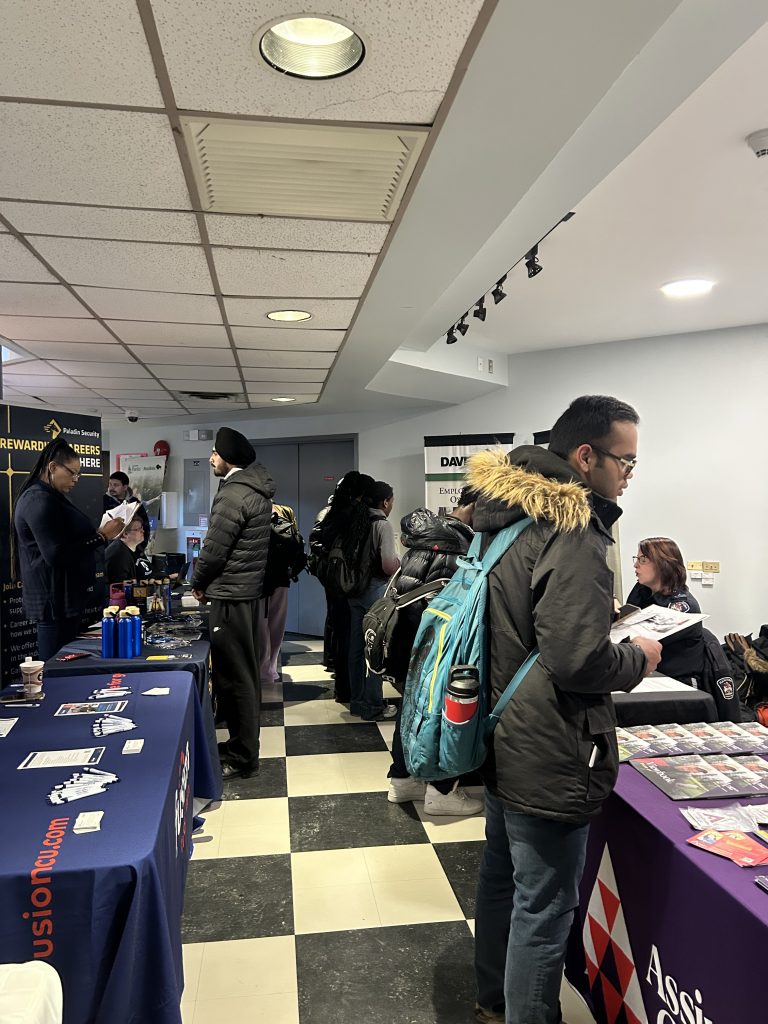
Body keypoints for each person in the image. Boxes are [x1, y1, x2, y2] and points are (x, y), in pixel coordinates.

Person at [469, 395, 661, 1024]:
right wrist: (638, 657)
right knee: (545, 906)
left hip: (500, 726)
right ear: (585, 456)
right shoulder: (572, 527)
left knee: (503, 877)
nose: (629, 474)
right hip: (549, 742)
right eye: (625, 461)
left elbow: (523, 623)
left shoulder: (505, 516)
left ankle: (493, 1001)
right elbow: (577, 661)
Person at [387, 487, 484, 815]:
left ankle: (402, 780)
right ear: (477, 505)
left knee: (410, 709)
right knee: (442, 711)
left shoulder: (428, 534)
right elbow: (455, 605)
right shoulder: (459, 543)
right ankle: (441, 791)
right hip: (436, 643)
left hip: (409, 638)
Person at [191, 427, 275, 780]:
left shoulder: (233, 493)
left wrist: (197, 581)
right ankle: (240, 746)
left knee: (236, 677)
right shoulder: (255, 489)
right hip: (244, 594)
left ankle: (243, 756)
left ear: (228, 457)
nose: (211, 458)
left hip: (230, 595)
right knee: (241, 675)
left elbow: (213, 549)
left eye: (215, 452)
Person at [13, 438, 125, 660]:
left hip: (66, 599)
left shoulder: (52, 497)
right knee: (56, 666)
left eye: (78, 474)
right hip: (54, 601)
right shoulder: (37, 500)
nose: (75, 480)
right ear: (53, 467)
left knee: (67, 664)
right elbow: (56, 554)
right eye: (72, 473)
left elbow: (66, 542)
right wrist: (102, 536)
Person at [316, 472, 375, 703]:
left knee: (340, 634)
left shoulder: (334, 512)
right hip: (349, 583)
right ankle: (349, 689)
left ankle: (343, 688)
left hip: (334, 580)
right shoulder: (355, 514)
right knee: (351, 638)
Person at [346, 480, 400, 721]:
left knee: (356, 648)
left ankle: (357, 701)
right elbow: (388, 565)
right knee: (374, 648)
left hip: (353, 591)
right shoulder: (382, 524)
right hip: (375, 593)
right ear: (385, 502)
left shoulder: (355, 520)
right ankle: (373, 704)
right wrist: (400, 564)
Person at [625, 537, 704, 682]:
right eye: (636, 559)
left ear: (663, 564)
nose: (636, 565)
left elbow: (642, 642)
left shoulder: (682, 606)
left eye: (643, 559)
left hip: (677, 682)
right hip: (646, 675)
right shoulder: (642, 592)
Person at [258, 503, 306, 684]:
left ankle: (263, 671)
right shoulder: (286, 514)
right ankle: (271, 667)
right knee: (277, 625)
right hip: (282, 578)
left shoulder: (258, 513)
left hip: (262, 578)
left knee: (261, 625)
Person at [104, 471, 150, 549]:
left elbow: (145, 526)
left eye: (116, 485)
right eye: (110, 484)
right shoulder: (103, 502)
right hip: (110, 550)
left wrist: (139, 549)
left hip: (132, 549)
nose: (112, 488)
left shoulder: (135, 503)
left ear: (125, 487)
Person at [104, 516, 146, 583]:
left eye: (142, 528)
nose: (143, 531)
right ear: (125, 534)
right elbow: (120, 586)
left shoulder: (137, 548)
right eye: (138, 529)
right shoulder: (119, 555)